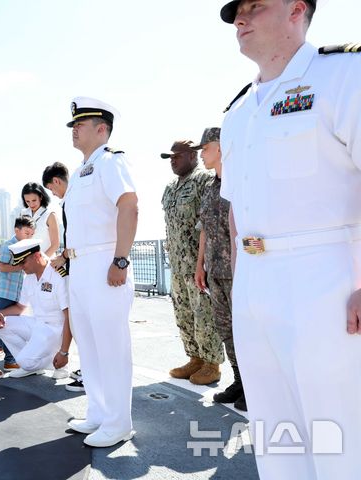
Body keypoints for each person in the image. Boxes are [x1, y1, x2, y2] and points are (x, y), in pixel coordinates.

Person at [220, 1, 361, 477]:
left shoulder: (345, 75)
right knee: (274, 429)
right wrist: (242, 286)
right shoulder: (238, 112)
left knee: (337, 429)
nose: (240, 19)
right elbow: (236, 208)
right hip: (255, 280)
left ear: (297, 9)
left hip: (326, 275)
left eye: (254, 7)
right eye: (237, 12)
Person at [63, 96, 138, 448]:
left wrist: (120, 259)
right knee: (89, 346)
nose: (74, 129)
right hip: (79, 268)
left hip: (105, 263)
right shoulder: (78, 173)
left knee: (111, 346)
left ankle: (119, 422)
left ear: (101, 129)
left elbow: (129, 206)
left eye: (80, 124)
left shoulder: (111, 162)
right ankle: (98, 413)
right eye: (74, 125)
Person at [160, 140, 224, 386]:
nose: (172, 160)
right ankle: (195, 358)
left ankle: (211, 364)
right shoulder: (170, 188)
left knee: (204, 315)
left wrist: (204, 262)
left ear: (192, 156)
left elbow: (206, 224)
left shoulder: (203, 182)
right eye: (170, 157)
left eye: (176, 156)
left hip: (198, 264)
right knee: (184, 314)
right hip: (177, 265)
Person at [191, 128, 246, 411]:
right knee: (226, 329)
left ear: (221, 147)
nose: (201, 154)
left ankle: (253, 385)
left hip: (239, 271)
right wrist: (200, 265)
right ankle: (240, 380)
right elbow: (204, 231)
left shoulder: (240, 181)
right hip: (215, 271)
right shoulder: (213, 186)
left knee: (246, 329)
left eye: (205, 148)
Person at [0, 238, 72, 380]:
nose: (21, 267)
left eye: (23, 262)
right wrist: (0, 313)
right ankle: (30, 365)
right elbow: (20, 307)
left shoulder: (58, 275)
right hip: (38, 325)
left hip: (55, 331)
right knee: (2, 325)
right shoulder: (29, 277)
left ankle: (57, 363)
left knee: (23, 361)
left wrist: (64, 352)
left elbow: (69, 317)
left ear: (37, 256)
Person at [42, 162, 84, 392]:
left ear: (56, 182)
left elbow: (80, 234)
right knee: (80, 321)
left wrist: (64, 256)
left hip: (82, 266)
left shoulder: (73, 200)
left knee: (84, 323)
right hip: (76, 265)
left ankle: (90, 373)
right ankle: (88, 369)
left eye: (51, 189)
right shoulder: (74, 198)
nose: (53, 194)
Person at [0, 216, 34, 377]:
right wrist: (22, 265)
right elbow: (3, 267)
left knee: (10, 326)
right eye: (27, 232)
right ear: (16, 230)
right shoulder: (7, 245)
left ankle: (10, 359)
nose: (29, 236)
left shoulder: (28, 246)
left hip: (18, 294)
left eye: (31, 233)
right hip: (4, 292)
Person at [20, 182, 60, 257]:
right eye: (27, 201)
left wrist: (41, 261)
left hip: (46, 262)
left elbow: (55, 245)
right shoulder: (23, 213)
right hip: (28, 263)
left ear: (41, 197)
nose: (31, 204)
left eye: (34, 200)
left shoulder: (50, 215)